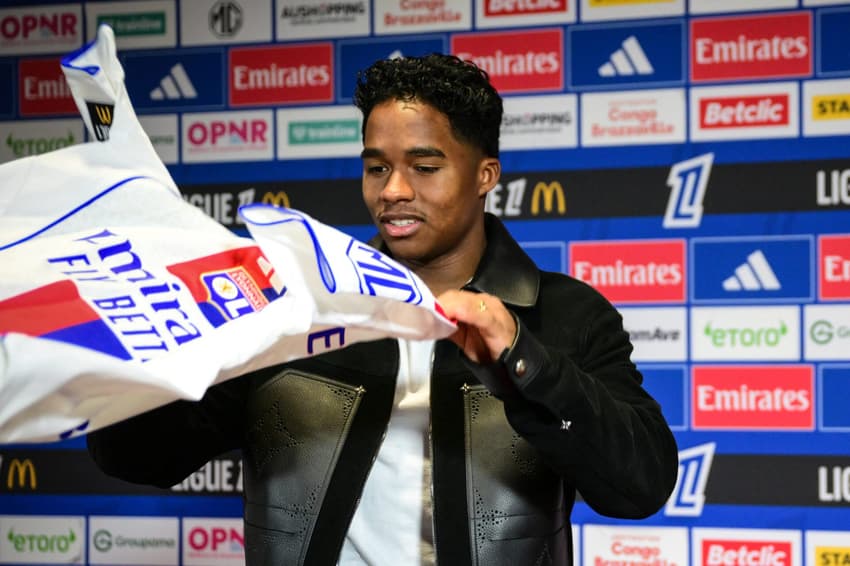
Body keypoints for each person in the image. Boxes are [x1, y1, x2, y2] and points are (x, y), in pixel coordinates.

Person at [87, 53, 679, 565]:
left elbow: (641, 486)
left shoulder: (566, 315)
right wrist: (161, 341)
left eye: (424, 168)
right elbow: (133, 455)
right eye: (376, 167)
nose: (393, 190)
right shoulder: (296, 307)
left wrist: (525, 360)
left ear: (485, 176)